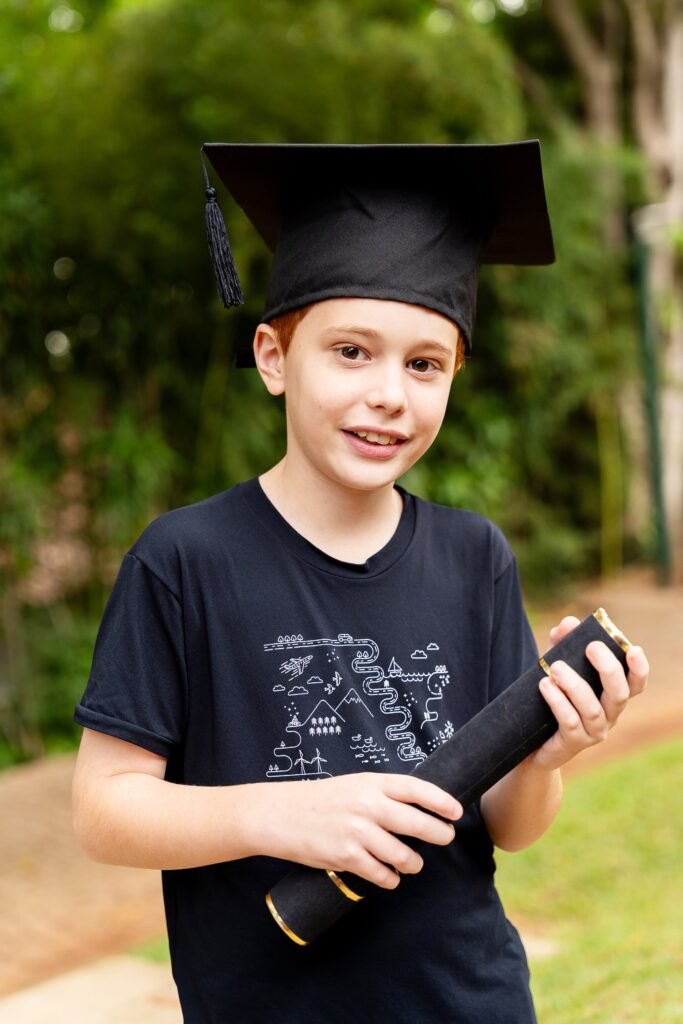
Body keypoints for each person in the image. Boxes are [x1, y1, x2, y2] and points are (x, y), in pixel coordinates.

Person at [71, 141, 649, 1024]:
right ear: (273, 358)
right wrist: (283, 815)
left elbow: (508, 826)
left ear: (452, 377)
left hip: (469, 999)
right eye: (350, 351)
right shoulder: (183, 561)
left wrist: (547, 750)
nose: (389, 393)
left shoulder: (474, 556)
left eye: (423, 364)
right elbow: (105, 812)